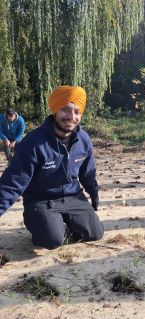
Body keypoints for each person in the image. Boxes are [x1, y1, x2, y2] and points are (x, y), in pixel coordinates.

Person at [0, 85, 104, 249]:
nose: (71, 117)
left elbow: (88, 172)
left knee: (95, 233)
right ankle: (44, 226)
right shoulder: (33, 143)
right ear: (55, 110)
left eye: (77, 112)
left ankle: (63, 223)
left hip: (73, 196)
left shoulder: (84, 139)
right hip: (40, 200)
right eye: (65, 110)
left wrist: (93, 192)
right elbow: (12, 183)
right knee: (52, 240)